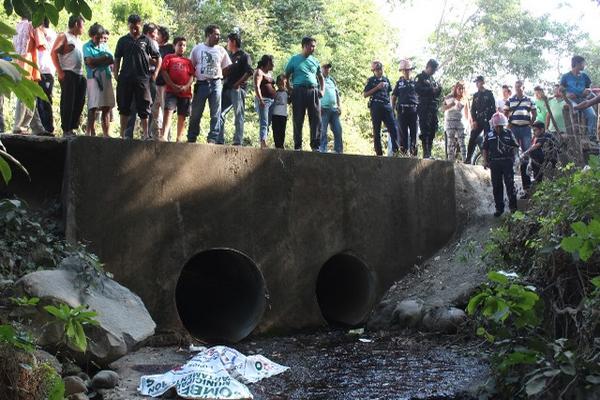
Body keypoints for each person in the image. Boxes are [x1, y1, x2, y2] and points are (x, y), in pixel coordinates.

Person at [114, 14, 161, 139]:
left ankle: (145, 134)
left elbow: (158, 58)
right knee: (124, 107)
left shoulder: (147, 40)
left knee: (144, 107)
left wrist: (155, 74)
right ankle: (122, 135)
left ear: (140, 25)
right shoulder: (123, 40)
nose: (134, 29)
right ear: (128, 26)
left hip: (143, 79)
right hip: (125, 78)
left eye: (137, 26)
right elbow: (117, 57)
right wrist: (115, 73)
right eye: (132, 26)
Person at [187, 24, 232, 143]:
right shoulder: (197, 48)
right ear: (208, 35)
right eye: (216, 34)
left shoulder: (221, 50)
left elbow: (227, 66)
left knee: (216, 113)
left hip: (216, 83)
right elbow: (191, 66)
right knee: (196, 112)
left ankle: (212, 138)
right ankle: (192, 137)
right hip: (201, 84)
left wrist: (219, 76)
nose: (218, 37)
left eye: (219, 35)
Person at [284, 36, 324, 151]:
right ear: (305, 46)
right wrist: (289, 89)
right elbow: (286, 76)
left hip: (313, 90)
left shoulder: (315, 60)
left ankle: (315, 146)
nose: (313, 48)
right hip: (298, 91)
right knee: (298, 118)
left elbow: (320, 77)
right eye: (311, 46)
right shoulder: (294, 59)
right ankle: (298, 146)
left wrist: (322, 90)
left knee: (316, 119)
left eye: (314, 46)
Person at [51, 15, 86, 136]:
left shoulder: (78, 39)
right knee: (68, 101)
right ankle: (66, 128)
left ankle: (72, 127)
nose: (84, 28)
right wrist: (60, 72)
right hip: (68, 72)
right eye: (83, 25)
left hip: (79, 74)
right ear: (77, 24)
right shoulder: (64, 36)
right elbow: (53, 52)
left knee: (79, 101)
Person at [12, 18, 47, 135]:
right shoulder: (33, 25)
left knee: (30, 97)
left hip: (17, 63)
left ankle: (36, 127)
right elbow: (42, 44)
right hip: (28, 65)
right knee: (26, 96)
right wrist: (42, 30)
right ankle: (19, 126)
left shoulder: (17, 25)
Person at [482, 112, 519, 217]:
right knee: (497, 186)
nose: (499, 128)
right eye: (497, 126)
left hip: (507, 161)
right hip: (495, 163)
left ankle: (513, 208)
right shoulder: (489, 135)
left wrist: (516, 158)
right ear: (493, 125)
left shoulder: (509, 133)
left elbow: (516, 146)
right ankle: (499, 208)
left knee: (510, 184)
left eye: (501, 126)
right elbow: (485, 149)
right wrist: (485, 161)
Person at [219, 32, 252, 145]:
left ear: (233, 41)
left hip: (238, 89)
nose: (227, 44)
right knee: (220, 113)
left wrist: (238, 84)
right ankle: (219, 140)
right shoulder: (228, 56)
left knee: (238, 115)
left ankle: (238, 141)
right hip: (226, 88)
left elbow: (249, 72)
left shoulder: (244, 55)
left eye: (228, 41)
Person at [504, 80, 536, 197]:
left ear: (523, 88)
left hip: (526, 129)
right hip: (514, 128)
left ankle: (526, 183)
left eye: (520, 87)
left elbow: (534, 112)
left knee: (526, 153)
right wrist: (509, 123)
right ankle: (511, 180)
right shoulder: (510, 100)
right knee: (514, 152)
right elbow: (505, 112)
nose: (518, 89)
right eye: (516, 87)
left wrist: (530, 123)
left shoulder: (529, 100)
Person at [83, 23, 115, 137]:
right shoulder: (87, 46)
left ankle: (106, 133)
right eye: (97, 38)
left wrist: (98, 60)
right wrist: (104, 58)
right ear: (92, 36)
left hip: (105, 76)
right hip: (94, 78)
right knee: (93, 106)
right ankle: (90, 132)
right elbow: (89, 62)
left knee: (106, 106)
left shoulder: (104, 46)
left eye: (101, 37)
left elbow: (112, 59)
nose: (99, 40)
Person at [161, 37, 195, 142]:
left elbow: (192, 76)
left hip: (185, 93)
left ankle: (179, 138)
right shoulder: (169, 57)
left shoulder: (188, 61)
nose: (182, 47)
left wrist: (185, 87)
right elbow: (164, 72)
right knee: (168, 111)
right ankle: (164, 135)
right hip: (171, 90)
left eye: (184, 45)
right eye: (180, 45)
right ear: (174, 46)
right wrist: (172, 85)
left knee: (182, 115)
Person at [363, 60, 398, 156]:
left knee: (393, 129)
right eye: (377, 69)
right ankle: (379, 153)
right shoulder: (371, 80)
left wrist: (392, 107)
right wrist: (377, 88)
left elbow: (389, 94)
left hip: (387, 106)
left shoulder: (386, 80)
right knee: (377, 130)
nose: (379, 71)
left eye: (380, 68)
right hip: (376, 106)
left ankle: (396, 151)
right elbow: (365, 94)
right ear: (373, 71)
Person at [560, 55, 597, 140]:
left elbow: (589, 88)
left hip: (583, 100)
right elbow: (560, 90)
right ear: (577, 64)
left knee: (592, 116)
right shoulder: (566, 76)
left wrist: (587, 91)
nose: (584, 65)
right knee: (574, 111)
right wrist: (566, 94)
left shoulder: (585, 76)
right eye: (583, 64)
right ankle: (575, 136)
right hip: (571, 100)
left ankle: (591, 137)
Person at [415, 59, 442, 158]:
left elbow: (436, 94)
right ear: (428, 67)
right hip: (423, 107)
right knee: (425, 130)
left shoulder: (432, 79)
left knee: (433, 129)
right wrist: (431, 89)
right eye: (433, 69)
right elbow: (417, 89)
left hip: (433, 108)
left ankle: (429, 152)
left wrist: (438, 89)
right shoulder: (420, 77)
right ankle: (426, 153)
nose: (434, 72)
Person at [152, 26, 175, 141]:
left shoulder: (170, 48)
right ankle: (155, 136)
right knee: (154, 110)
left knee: (166, 110)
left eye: (158, 34)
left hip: (166, 84)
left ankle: (166, 136)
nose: (156, 36)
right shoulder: (152, 46)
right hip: (153, 82)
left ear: (164, 36)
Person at [392, 59, 418, 155]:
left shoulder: (416, 82)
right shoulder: (399, 83)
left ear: (411, 70)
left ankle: (413, 154)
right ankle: (403, 154)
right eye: (404, 70)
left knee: (414, 133)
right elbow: (394, 96)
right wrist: (392, 109)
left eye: (408, 70)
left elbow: (421, 95)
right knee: (402, 134)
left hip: (414, 110)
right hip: (402, 110)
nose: (406, 72)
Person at [466, 76, 496, 163]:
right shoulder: (475, 95)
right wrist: (474, 120)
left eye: (478, 82)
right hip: (478, 120)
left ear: (482, 82)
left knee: (488, 139)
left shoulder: (489, 93)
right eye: (476, 82)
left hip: (488, 119)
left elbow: (493, 108)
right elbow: (473, 109)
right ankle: (468, 159)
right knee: (472, 137)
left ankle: (489, 161)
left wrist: (492, 120)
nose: (477, 84)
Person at [37, 18, 57, 135]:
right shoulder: (40, 33)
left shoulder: (49, 33)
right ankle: (42, 127)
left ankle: (48, 127)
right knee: (39, 100)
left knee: (45, 100)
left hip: (46, 71)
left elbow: (43, 31)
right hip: (40, 70)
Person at [319, 62, 343, 154]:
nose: (327, 69)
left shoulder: (332, 80)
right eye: (325, 67)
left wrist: (339, 106)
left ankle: (338, 151)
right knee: (322, 130)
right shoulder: (318, 79)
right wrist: (318, 106)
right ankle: (322, 150)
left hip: (334, 109)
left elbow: (336, 93)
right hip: (323, 108)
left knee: (338, 130)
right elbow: (316, 93)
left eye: (328, 68)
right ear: (321, 68)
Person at [443, 81, 469, 162]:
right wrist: (451, 104)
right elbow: (442, 108)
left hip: (459, 122)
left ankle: (465, 160)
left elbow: (467, 113)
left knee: (462, 142)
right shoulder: (449, 97)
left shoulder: (464, 99)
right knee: (450, 142)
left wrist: (468, 124)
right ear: (455, 89)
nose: (461, 90)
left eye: (462, 89)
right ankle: (450, 161)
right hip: (450, 122)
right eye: (459, 88)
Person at [254, 55, 276, 148]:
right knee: (264, 122)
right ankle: (263, 142)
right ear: (267, 63)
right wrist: (260, 99)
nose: (273, 65)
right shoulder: (259, 71)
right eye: (271, 63)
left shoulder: (269, 74)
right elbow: (256, 86)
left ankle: (265, 139)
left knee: (269, 122)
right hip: (264, 100)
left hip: (272, 101)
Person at [271, 74, 289, 149]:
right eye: (280, 83)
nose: (282, 85)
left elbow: (290, 101)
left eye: (283, 84)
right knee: (275, 130)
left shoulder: (287, 93)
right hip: (275, 114)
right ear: (277, 84)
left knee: (282, 131)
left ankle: (281, 145)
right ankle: (277, 145)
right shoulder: (275, 92)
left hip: (283, 114)